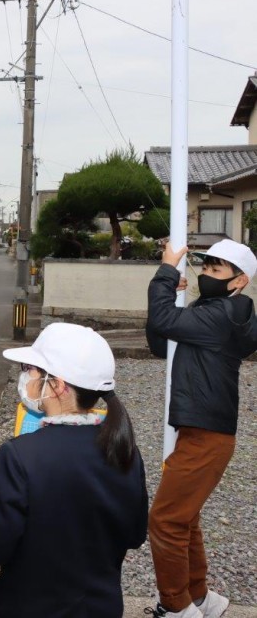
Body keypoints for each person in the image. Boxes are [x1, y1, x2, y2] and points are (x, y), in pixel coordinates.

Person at [0, 323, 148, 617]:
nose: (25, 375)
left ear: (59, 385)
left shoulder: (20, 455)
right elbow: (135, 535)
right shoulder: (125, 451)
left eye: (31, 368)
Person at [144, 240, 257, 618]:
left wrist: (164, 273)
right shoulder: (213, 311)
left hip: (206, 434)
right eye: (205, 266)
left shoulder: (223, 314)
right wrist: (170, 299)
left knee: (166, 520)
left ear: (239, 281)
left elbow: (163, 323)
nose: (206, 273)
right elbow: (161, 341)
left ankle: (177, 607)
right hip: (201, 430)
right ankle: (201, 599)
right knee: (184, 518)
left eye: (217, 269)